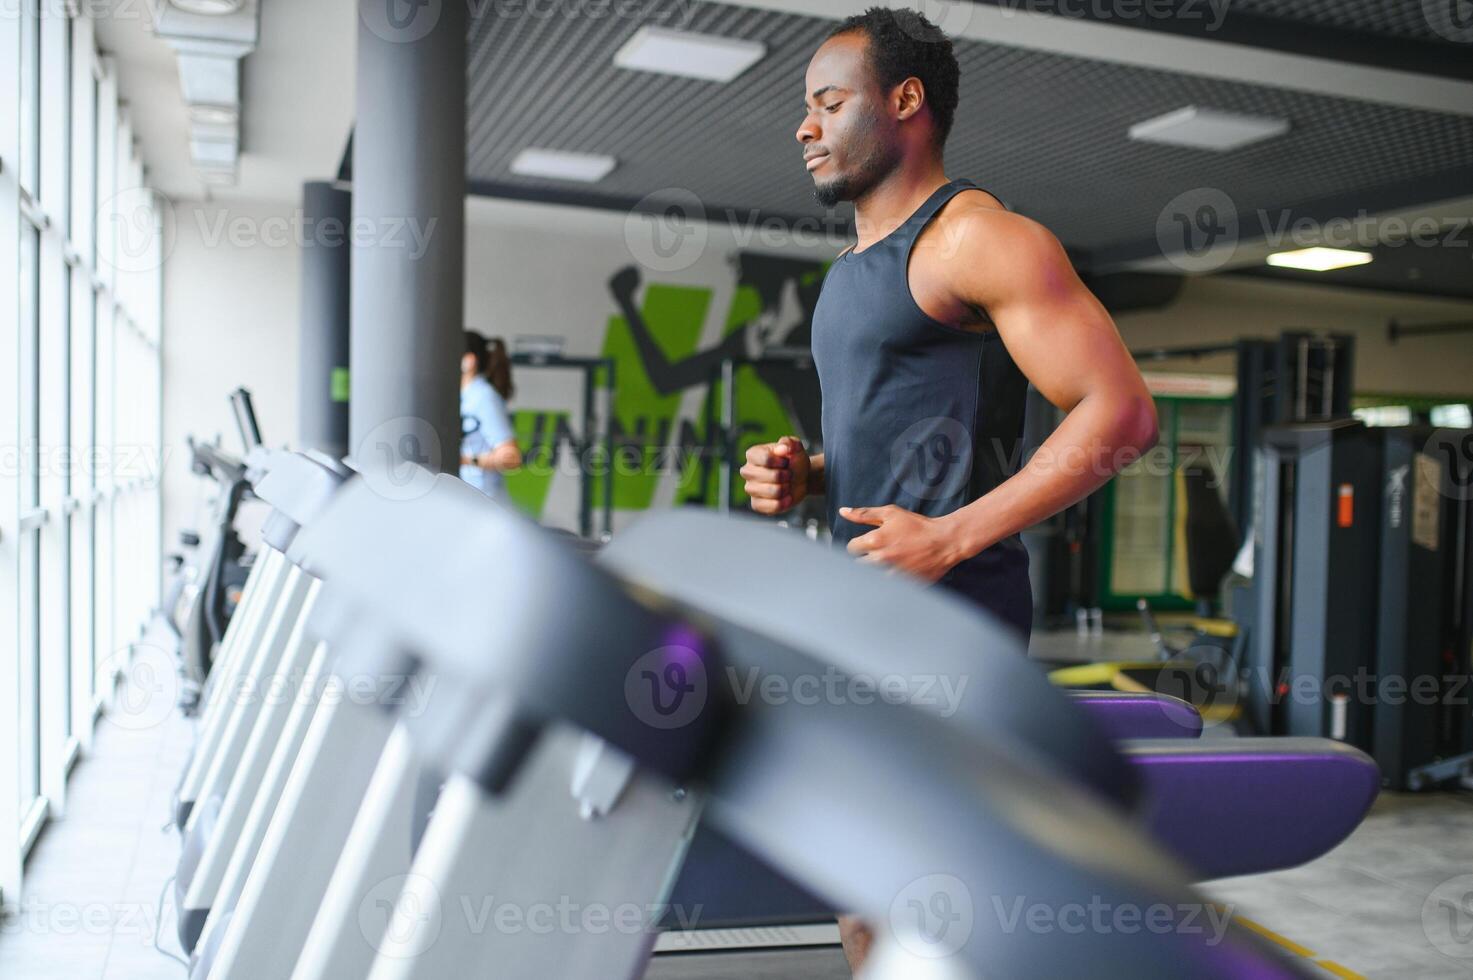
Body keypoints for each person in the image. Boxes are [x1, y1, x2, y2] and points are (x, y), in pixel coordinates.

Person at [737, 9, 1159, 971]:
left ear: (905, 101)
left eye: (827, 103)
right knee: (861, 902)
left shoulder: (980, 240)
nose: (803, 127)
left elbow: (1121, 415)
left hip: (951, 625)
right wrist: (808, 471)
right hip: (858, 613)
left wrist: (952, 537)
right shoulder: (852, 267)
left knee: (931, 908)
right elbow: (907, 443)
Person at [460, 331, 523, 501]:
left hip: (483, 502)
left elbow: (511, 457)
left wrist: (465, 460)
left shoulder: (483, 396)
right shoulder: (463, 395)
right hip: (462, 500)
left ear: (469, 361)